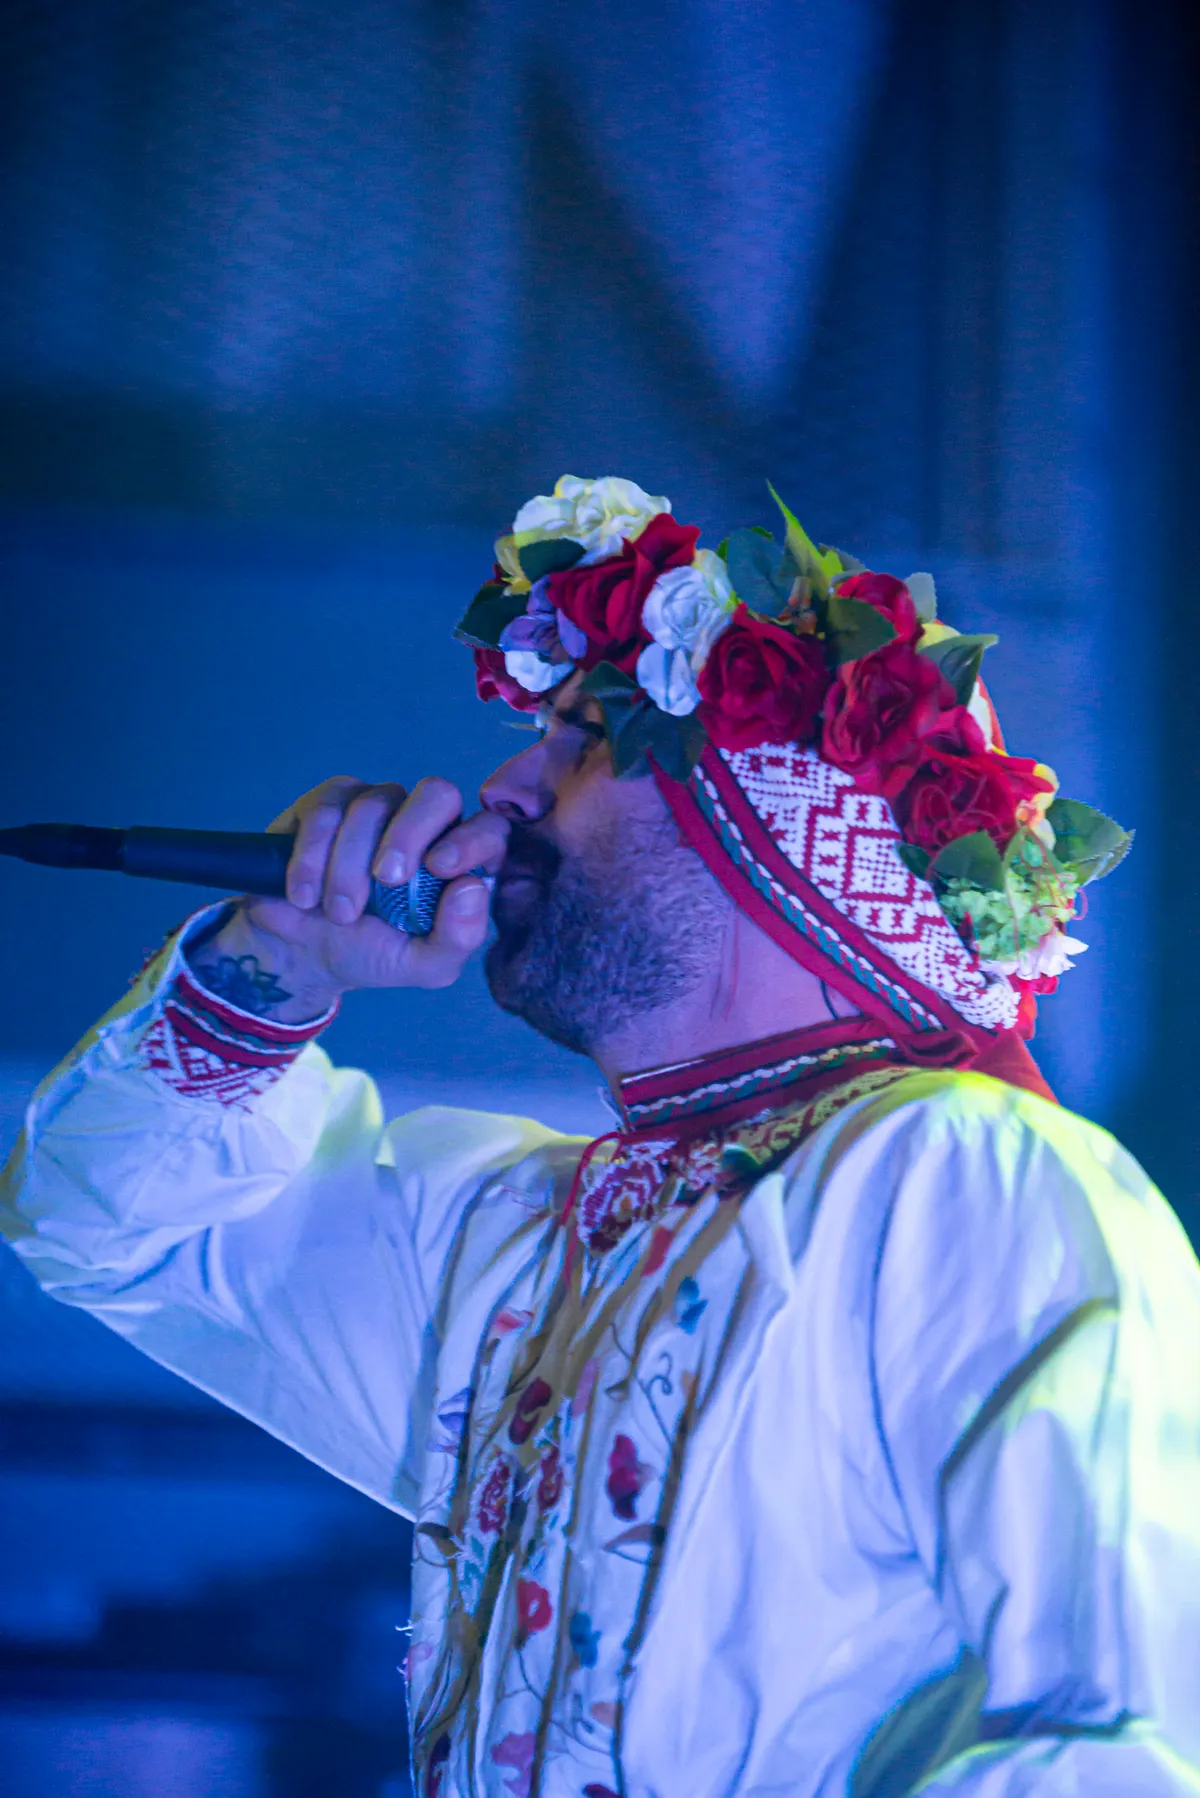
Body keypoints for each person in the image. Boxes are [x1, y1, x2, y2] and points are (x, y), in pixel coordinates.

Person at [3, 474, 1199, 1797]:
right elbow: (115, 1221)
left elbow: (1126, 1746)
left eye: (577, 739)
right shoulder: (523, 1240)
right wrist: (277, 954)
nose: (502, 790)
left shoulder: (956, 1179)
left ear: (764, 828)